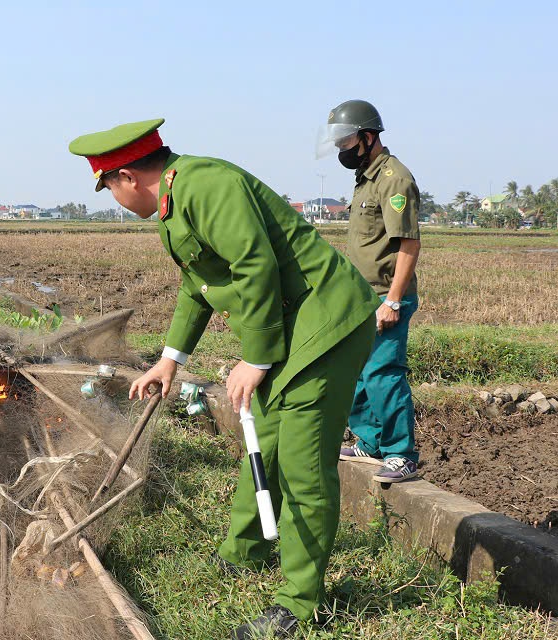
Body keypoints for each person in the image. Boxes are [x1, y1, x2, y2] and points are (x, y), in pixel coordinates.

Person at [69, 119, 380, 638]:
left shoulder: (206, 185)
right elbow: (200, 285)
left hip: (323, 325)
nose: (114, 198)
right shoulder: (175, 204)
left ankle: (300, 605)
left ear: (124, 177)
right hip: (289, 325)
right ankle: (245, 550)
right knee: (267, 443)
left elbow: (255, 266)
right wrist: (170, 358)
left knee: (303, 469)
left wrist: (255, 359)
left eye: (108, 188)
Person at [320, 100, 422, 484]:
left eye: (346, 140)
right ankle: (371, 440)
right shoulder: (367, 177)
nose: (341, 149)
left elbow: (408, 245)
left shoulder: (395, 179)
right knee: (359, 372)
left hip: (385, 295)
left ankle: (401, 453)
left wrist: (393, 300)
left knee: (383, 373)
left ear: (367, 137)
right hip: (362, 297)